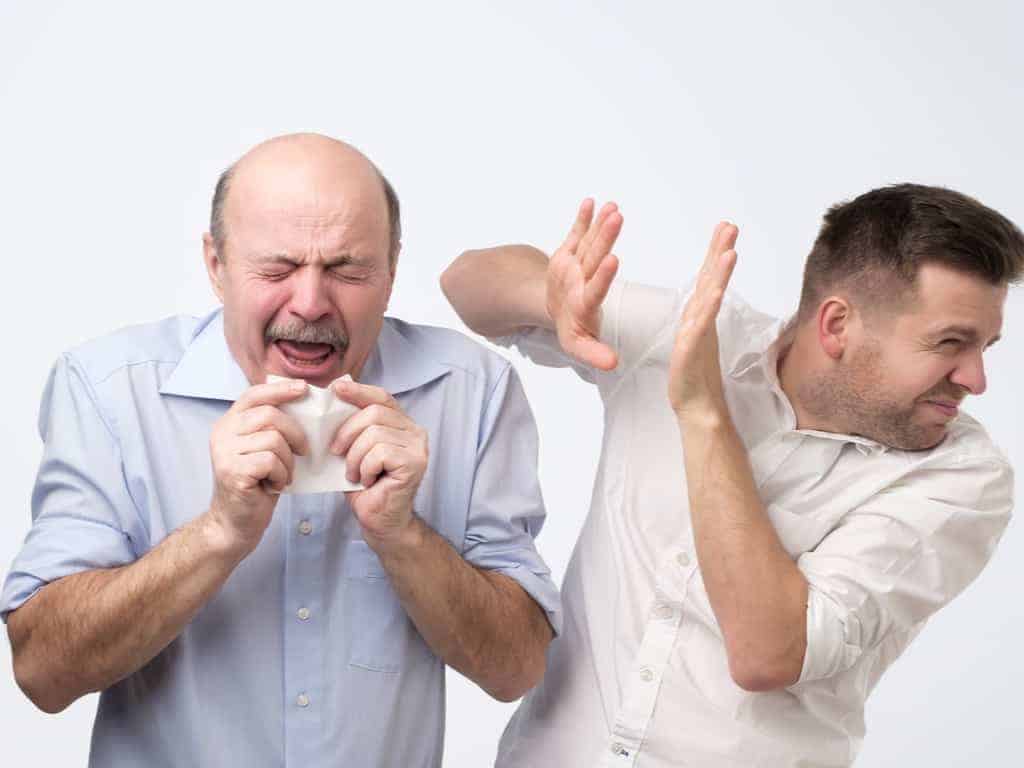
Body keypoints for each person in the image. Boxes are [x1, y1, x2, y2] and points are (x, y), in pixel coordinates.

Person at [3, 133, 558, 768]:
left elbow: (516, 667)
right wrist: (218, 533)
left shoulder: (473, 391)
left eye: (348, 269)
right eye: (277, 268)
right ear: (215, 265)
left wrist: (402, 535)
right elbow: (42, 672)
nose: (311, 303)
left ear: (392, 269)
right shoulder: (107, 390)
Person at [442, 184, 1022, 767]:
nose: (976, 379)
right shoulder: (695, 334)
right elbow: (465, 283)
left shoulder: (962, 479)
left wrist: (704, 415)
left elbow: (769, 653)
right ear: (838, 325)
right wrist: (550, 298)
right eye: (951, 343)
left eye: (986, 347)